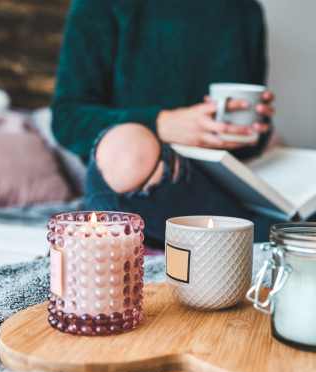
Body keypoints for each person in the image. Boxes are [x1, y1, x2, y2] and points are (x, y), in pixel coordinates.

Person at [52, 0, 276, 245]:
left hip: (214, 183)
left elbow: (251, 145)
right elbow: (67, 118)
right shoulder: (100, 6)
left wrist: (253, 130)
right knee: (129, 147)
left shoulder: (245, 10)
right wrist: (162, 124)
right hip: (141, 175)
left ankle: (259, 233)